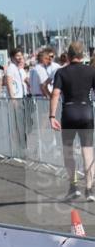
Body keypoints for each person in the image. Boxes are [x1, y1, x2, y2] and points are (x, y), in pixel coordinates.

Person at [49, 41, 95, 201]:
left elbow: (55, 94)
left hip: (69, 113)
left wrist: (52, 116)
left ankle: (73, 187)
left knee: (68, 152)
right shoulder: (91, 71)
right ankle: (89, 189)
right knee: (87, 151)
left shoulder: (61, 72)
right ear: (83, 55)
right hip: (86, 112)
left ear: (68, 56)